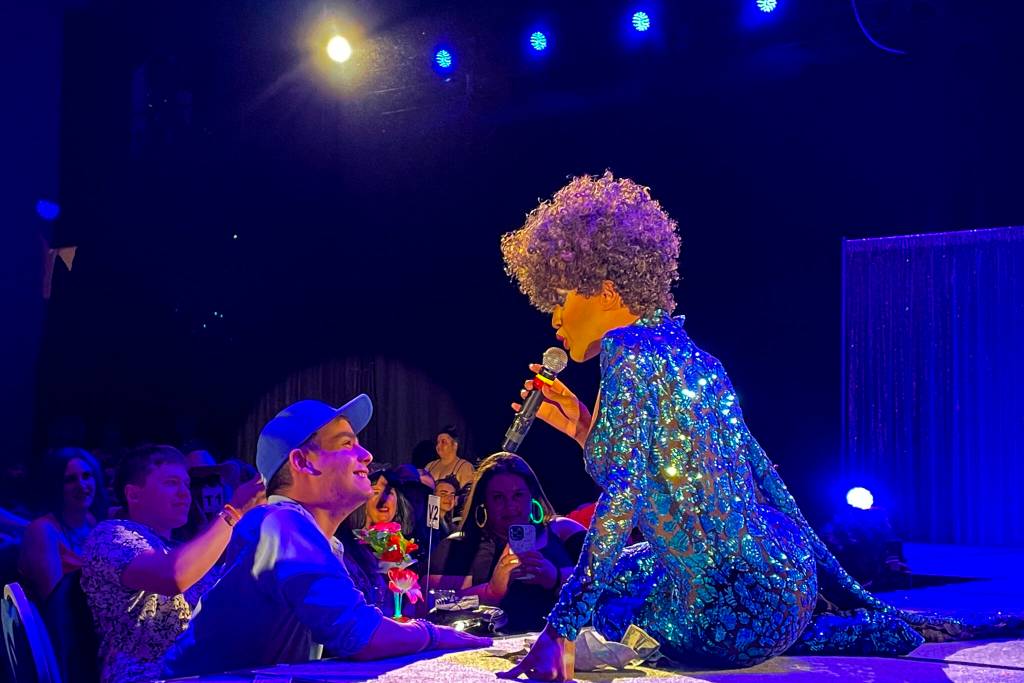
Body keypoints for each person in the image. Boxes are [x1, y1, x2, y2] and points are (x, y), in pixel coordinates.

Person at [497, 172, 935, 681]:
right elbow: (764, 484)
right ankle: (839, 627)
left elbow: (626, 493)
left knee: (624, 605)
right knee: (640, 573)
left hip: (721, 615)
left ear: (608, 291)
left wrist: (561, 630)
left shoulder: (626, 352)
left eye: (562, 296)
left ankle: (807, 630)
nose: (554, 316)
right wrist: (583, 429)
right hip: (785, 573)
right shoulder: (699, 359)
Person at [163, 396, 490, 678]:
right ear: (302, 462)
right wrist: (433, 634)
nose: (366, 456)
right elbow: (360, 635)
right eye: (347, 443)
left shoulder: (304, 532)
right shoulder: (280, 521)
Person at [81, 444, 265, 683]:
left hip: (197, 672)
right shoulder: (110, 535)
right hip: (145, 677)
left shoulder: (180, 547)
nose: (184, 493)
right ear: (133, 494)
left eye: (186, 484)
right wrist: (233, 513)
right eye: (171, 483)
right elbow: (173, 575)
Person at [429, 452, 585, 633]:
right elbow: (435, 608)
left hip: (556, 652)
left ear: (531, 496)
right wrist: (490, 592)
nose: (510, 506)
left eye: (518, 495)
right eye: (498, 498)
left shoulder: (563, 531)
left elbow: (606, 586)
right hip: (485, 654)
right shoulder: (459, 547)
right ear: (484, 502)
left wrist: (556, 579)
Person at [19, 448, 108, 601]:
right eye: (70, 480)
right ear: (54, 485)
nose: (81, 485)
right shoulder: (43, 530)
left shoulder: (91, 520)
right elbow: (53, 601)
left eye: (87, 476)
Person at [425, 426, 475, 500]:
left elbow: (469, 496)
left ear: (455, 445)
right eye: (437, 442)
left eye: (443, 442)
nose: (438, 446)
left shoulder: (465, 467)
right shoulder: (430, 466)